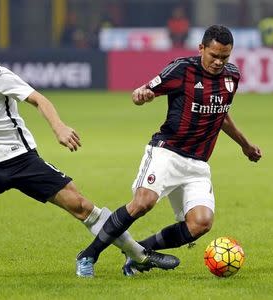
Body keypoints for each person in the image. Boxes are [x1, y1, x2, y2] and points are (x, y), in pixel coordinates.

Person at [0, 28, 177, 280]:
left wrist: (59, 128)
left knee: (82, 206)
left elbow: (39, 100)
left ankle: (140, 256)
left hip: (21, 160)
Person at [76, 25, 262, 277]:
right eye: (214, 55)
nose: (219, 62)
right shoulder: (182, 69)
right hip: (167, 152)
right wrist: (142, 95)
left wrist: (245, 145)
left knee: (201, 223)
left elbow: (222, 116)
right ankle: (88, 255)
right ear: (201, 49)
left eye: (224, 57)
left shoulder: (232, 77)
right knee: (143, 203)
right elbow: (142, 92)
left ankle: (140, 253)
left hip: (197, 164)